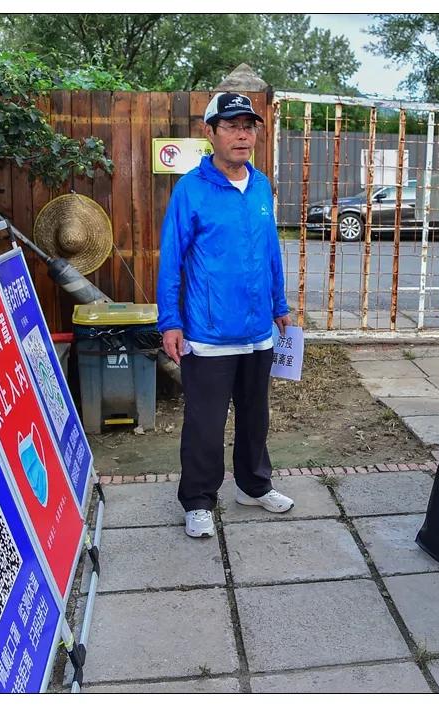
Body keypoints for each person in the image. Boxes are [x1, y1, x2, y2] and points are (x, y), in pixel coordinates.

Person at [157, 92, 294, 539]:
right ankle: (198, 499)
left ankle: (254, 486)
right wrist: (170, 322)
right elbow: (171, 259)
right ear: (210, 132)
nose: (242, 135)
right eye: (232, 126)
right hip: (208, 332)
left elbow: (270, 250)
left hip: (257, 330)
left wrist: (279, 305)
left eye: (248, 126)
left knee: (256, 416)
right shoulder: (191, 190)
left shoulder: (261, 185)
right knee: (205, 423)